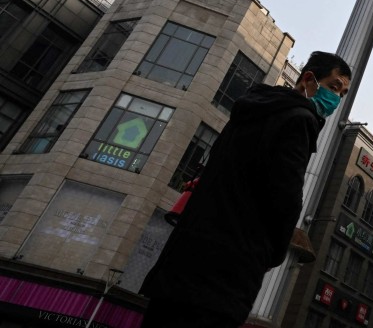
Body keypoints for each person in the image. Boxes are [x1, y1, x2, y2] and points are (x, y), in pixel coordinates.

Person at [139, 51, 353, 328]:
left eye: (343, 93)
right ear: (308, 80)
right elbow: (285, 199)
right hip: (225, 275)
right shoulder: (298, 120)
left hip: (181, 264)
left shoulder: (251, 110)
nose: (336, 99)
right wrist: (272, 254)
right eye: (334, 87)